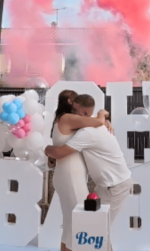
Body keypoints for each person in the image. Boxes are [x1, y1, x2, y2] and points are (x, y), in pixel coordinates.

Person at [45, 94, 133, 251]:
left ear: (84, 112)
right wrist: (103, 115)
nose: (72, 114)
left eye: (75, 110)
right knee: (89, 230)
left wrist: (46, 149)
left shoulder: (87, 132)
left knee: (97, 231)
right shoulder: (91, 126)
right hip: (106, 186)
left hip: (115, 186)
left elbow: (59, 153)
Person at [49, 90, 112, 251]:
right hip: (71, 176)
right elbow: (97, 122)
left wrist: (104, 122)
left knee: (71, 226)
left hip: (67, 175)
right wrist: (103, 114)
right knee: (84, 221)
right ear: (71, 102)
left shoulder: (64, 119)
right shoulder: (67, 118)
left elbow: (93, 122)